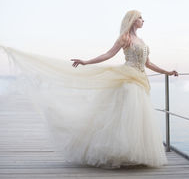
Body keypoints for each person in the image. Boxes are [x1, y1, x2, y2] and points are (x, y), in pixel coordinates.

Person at [0, 9, 178, 169]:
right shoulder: (125, 38)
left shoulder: (142, 40)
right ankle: (122, 153)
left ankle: (138, 153)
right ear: (132, 20)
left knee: (139, 119)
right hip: (128, 80)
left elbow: (147, 63)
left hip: (140, 80)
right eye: (140, 17)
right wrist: (86, 61)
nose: (143, 20)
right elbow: (108, 54)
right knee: (125, 118)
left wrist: (167, 72)